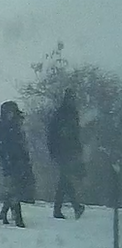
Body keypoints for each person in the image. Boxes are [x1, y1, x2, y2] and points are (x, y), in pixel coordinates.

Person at [0, 100, 35, 228]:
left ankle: (5, 211)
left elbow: (22, 143)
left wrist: (25, 158)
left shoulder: (17, 125)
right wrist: (4, 157)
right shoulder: (2, 127)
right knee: (13, 188)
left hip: (20, 161)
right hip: (9, 161)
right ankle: (18, 218)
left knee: (15, 188)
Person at [47, 87, 85, 219]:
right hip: (63, 150)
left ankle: (65, 208)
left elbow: (75, 134)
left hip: (68, 150)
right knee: (65, 178)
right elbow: (53, 133)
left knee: (64, 179)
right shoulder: (62, 114)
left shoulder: (70, 113)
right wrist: (54, 150)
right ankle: (74, 206)